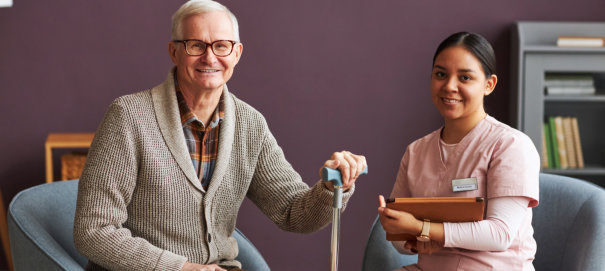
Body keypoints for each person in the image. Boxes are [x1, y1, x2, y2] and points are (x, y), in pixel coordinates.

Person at [73, 1, 367, 270]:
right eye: (195, 45)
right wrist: (183, 269)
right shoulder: (128, 116)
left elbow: (293, 213)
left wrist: (331, 188)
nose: (209, 57)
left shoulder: (250, 125)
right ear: (174, 51)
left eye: (221, 46)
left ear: (237, 53)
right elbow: (93, 231)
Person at [377, 32, 540, 271]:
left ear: (489, 84)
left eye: (464, 77)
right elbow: (402, 242)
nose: (449, 86)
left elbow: (499, 233)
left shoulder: (511, 145)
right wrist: (404, 233)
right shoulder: (416, 151)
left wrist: (422, 228)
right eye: (440, 74)